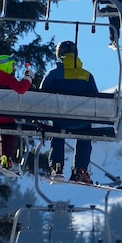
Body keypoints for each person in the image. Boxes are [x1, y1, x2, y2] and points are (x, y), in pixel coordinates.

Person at [40, 41, 98, 184]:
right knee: (85, 136)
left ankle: (57, 167)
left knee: (57, 134)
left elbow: (40, 97)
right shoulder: (86, 75)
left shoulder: (53, 75)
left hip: (60, 121)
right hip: (81, 122)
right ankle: (80, 170)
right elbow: (96, 100)